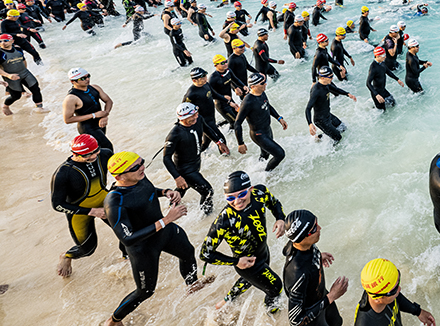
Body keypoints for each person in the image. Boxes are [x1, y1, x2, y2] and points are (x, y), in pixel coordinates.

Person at [103, 151, 214, 326]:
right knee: (145, 291)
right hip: (142, 248)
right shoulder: (114, 201)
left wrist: (166, 191)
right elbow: (127, 238)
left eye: (142, 163)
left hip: (164, 233)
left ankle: (192, 286)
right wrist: (167, 219)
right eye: (136, 167)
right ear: (120, 176)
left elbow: (147, 191)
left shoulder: (139, 177)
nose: (142, 168)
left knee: (187, 253)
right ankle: (114, 320)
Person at [200, 171, 286, 312]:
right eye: (230, 198)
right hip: (246, 264)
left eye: (241, 194)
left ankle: (225, 301)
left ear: (251, 190)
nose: (237, 201)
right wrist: (236, 262)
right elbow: (205, 254)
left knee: (249, 281)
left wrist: (280, 218)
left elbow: (274, 203)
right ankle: (271, 317)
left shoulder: (260, 193)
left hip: (263, 252)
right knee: (275, 288)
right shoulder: (224, 220)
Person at [51, 134, 118, 278]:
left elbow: (121, 171)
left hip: (103, 200)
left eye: (96, 151)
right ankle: (66, 256)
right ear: (75, 154)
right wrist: (92, 211)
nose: (94, 156)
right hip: (79, 212)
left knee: (126, 229)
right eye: (89, 155)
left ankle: (127, 258)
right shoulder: (64, 173)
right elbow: (57, 205)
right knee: (88, 249)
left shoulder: (105, 154)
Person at [283, 209, 348, 326]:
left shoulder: (303, 244)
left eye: (316, 223)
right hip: (313, 318)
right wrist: (331, 296)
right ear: (301, 238)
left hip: (321, 297)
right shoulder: (298, 274)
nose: (319, 228)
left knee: (337, 322)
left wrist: (317, 257)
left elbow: (305, 257)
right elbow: (295, 321)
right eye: (314, 228)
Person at [163, 102, 228, 215]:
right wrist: (177, 177)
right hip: (185, 169)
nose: (196, 117)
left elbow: (208, 130)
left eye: (196, 114)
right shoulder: (174, 135)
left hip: (195, 164)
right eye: (192, 116)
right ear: (182, 118)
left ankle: (170, 207)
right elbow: (166, 158)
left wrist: (219, 142)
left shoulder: (198, 120)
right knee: (208, 191)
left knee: (185, 186)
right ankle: (206, 216)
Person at [353, 258, 436, 326]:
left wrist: (418, 311)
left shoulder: (378, 291)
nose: (399, 289)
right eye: (395, 289)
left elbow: (396, 297)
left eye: (398, 283)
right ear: (377, 299)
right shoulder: (366, 323)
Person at [234, 73, 289, 171]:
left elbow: (268, 105)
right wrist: (240, 143)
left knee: (265, 154)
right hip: (258, 134)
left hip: (267, 129)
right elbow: (237, 123)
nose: (265, 84)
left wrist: (279, 118)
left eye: (264, 82)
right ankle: (267, 174)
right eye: (262, 83)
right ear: (253, 86)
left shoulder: (262, 92)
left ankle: (257, 172)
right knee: (280, 154)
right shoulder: (247, 102)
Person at [184, 66, 239, 147]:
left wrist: (229, 102)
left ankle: (202, 156)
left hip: (211, 118)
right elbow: (183, 110)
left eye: (205, 75)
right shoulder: (191, 93)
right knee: (222, 140)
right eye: (202, 77)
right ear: (194, 80)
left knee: (206, 143)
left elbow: (215, 95)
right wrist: (183, 127)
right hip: (205, 121)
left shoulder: (206, 85)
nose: (205, 78)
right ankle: (228, 158)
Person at [63, 67, 114, 151]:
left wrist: (105, 115)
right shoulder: (71, 98)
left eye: (88, 76)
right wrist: (94, 115)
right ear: (73, 81)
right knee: (107, 147)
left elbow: (108, 101)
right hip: (87, 128)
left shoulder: (95, 87)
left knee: (100, 150)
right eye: (83, 78)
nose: (87, 79)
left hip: (101, 124)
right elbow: (67, 120)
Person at [306, 66, 357, 142]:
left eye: (332, 76)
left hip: (327, 115)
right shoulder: (316, 91)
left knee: (342, 128)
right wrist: (310, 124)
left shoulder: (326, 84)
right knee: (338, 138)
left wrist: (348, 94)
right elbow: (308, 108)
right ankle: (329, 148)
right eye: (330, 77)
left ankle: (321, 137)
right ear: (323, 78)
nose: (332, 78)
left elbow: (336, 89)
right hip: (321, 120)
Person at [0, 33, 47, 114]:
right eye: (0, 41)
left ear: (12, 41)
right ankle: (5, 106)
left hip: (24, 72)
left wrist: (25, 70)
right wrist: (8, 75)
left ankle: (39, 108)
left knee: (36, 88)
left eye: (6, 40)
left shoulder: (18, 49)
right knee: (16, 96)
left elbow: (23, 60)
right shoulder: (0, 53)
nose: (3, 43)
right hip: (11, 76)